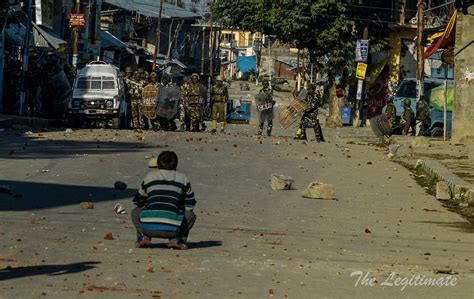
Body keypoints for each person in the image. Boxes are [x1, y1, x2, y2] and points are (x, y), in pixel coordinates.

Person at [132, 151, 197, 250]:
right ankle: (177, 239)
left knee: (135, 211)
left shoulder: (149, 177)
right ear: (176, 165)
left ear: (157, 164)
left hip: (147, 228)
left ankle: (144, 237)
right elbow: (190, 205)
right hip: (173, 229)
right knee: (190, 215)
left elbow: (138, 201)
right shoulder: (183, 179)